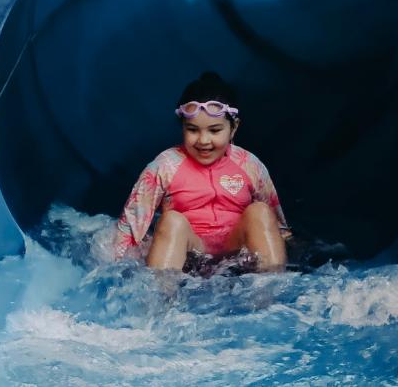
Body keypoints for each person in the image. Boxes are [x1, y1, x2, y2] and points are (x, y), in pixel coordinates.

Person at [114, 72, 290, 272]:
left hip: (236, 254)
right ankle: (160, 289)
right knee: (172, 221)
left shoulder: (250, 165)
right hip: (189, 258)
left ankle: (273, 284)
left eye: (214, 131)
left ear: (233, 128)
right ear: (182, 127)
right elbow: (129, 227)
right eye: (192, 130)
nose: (203, 141)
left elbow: (278, 228)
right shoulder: (165, 166)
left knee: (261, 212)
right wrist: (116, 269)